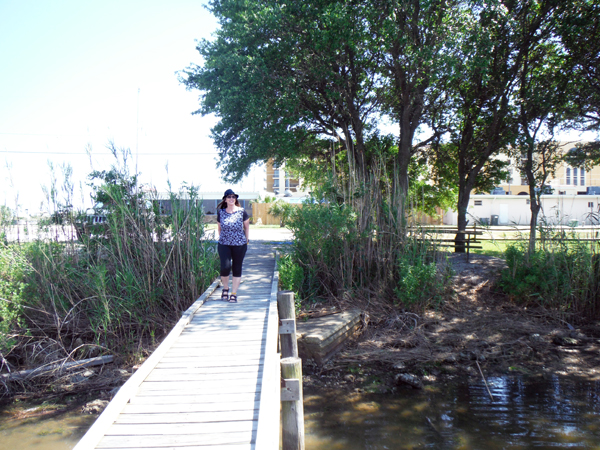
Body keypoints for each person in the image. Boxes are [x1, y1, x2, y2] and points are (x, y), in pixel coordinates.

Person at [216, 189, 250, 303]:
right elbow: (219, 228)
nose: (231, 199)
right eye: (229, 197)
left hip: (239, 244)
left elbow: (246, 227)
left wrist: (247, 240)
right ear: (225, 199)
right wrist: (222, 239)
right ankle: (225, 288)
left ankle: (234, 293)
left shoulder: (242, 211)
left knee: (237, 267)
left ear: (235, 199)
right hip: (224, 243)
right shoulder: (221, 212)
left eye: (233, 197)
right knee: (225, 267)